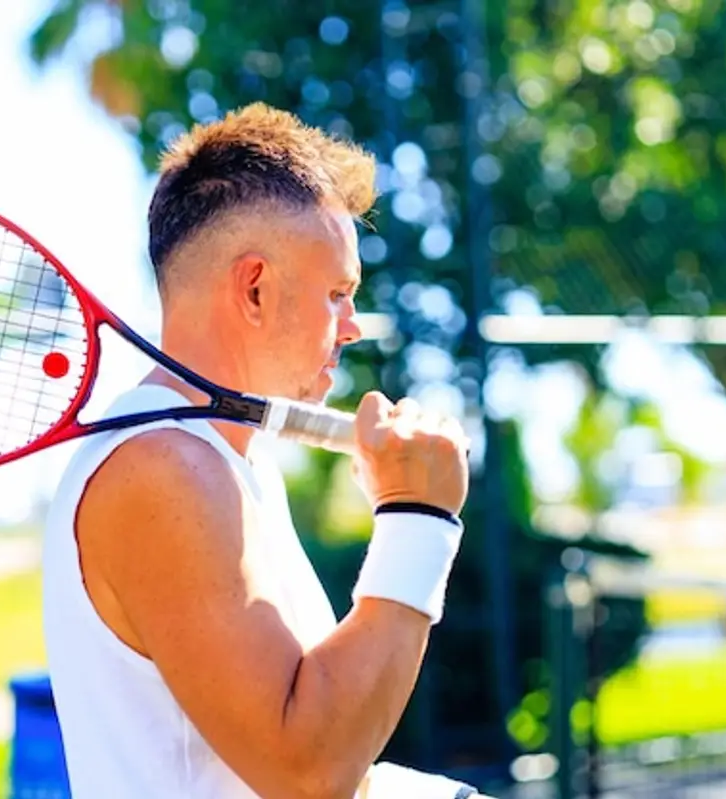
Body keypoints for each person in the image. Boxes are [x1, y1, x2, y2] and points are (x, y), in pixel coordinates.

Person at [42, 103, 482, 798]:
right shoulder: (165, 469)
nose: (353, 325)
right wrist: (417, 520)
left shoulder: (224, 462)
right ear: (254, 289)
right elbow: (306, 768)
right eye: (338, 293)